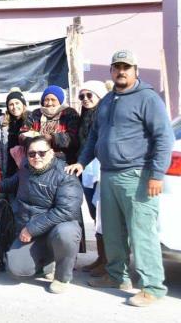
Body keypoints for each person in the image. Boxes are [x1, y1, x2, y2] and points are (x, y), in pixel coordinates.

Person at [66, 50, 174, 307]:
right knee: (112, 232)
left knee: (141, 234)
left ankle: (152, 286)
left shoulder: (148, 99)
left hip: (138, 175)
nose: (121, 71)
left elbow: (164, 138)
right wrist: (82, 161)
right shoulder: (107, 101)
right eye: (117, 67)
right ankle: (117, 276)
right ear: (112, 71)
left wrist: (156, 174)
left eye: (126, 67)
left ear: (135, 70)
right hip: (109, 175)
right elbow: (94, 136)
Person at [0, 136, 83, 294]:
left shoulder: (65, 174)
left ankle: (62, 277)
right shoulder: (25, 167)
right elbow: (16, 181)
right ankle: (46, 264)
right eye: (32, 153)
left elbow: (67, 211)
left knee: (66, 234)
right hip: (30, 228)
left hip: (55, 228)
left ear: (51, 153)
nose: (36, 157)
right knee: (16, 269)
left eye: (42, 153)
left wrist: (31, 229)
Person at [76, 80, 109, 277]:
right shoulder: (84, 116)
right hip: (87, 171)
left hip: (102, 170)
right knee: (94, 215)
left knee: (103, 216)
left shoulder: (105, 115)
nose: (86, 99)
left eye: (90, 95)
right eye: (82, 96)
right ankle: (101, 258)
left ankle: (109, 261)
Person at [21, 85, 80, 164]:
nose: (49, 103)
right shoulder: (35, 114)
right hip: (38, 159)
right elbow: (23, 132)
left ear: (60, 101)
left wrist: (53, 138)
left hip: (64, 160)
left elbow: (73, 137)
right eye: (46, 100)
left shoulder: (69, 113)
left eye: (53, 100)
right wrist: (36, 140)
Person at [0, 89, 30, 178]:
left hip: (26, 166)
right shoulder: (2, 122)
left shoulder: (31, 120)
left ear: (23, 104)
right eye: (11, 104)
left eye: (17, 103)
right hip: (9, 166)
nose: (14, 107)